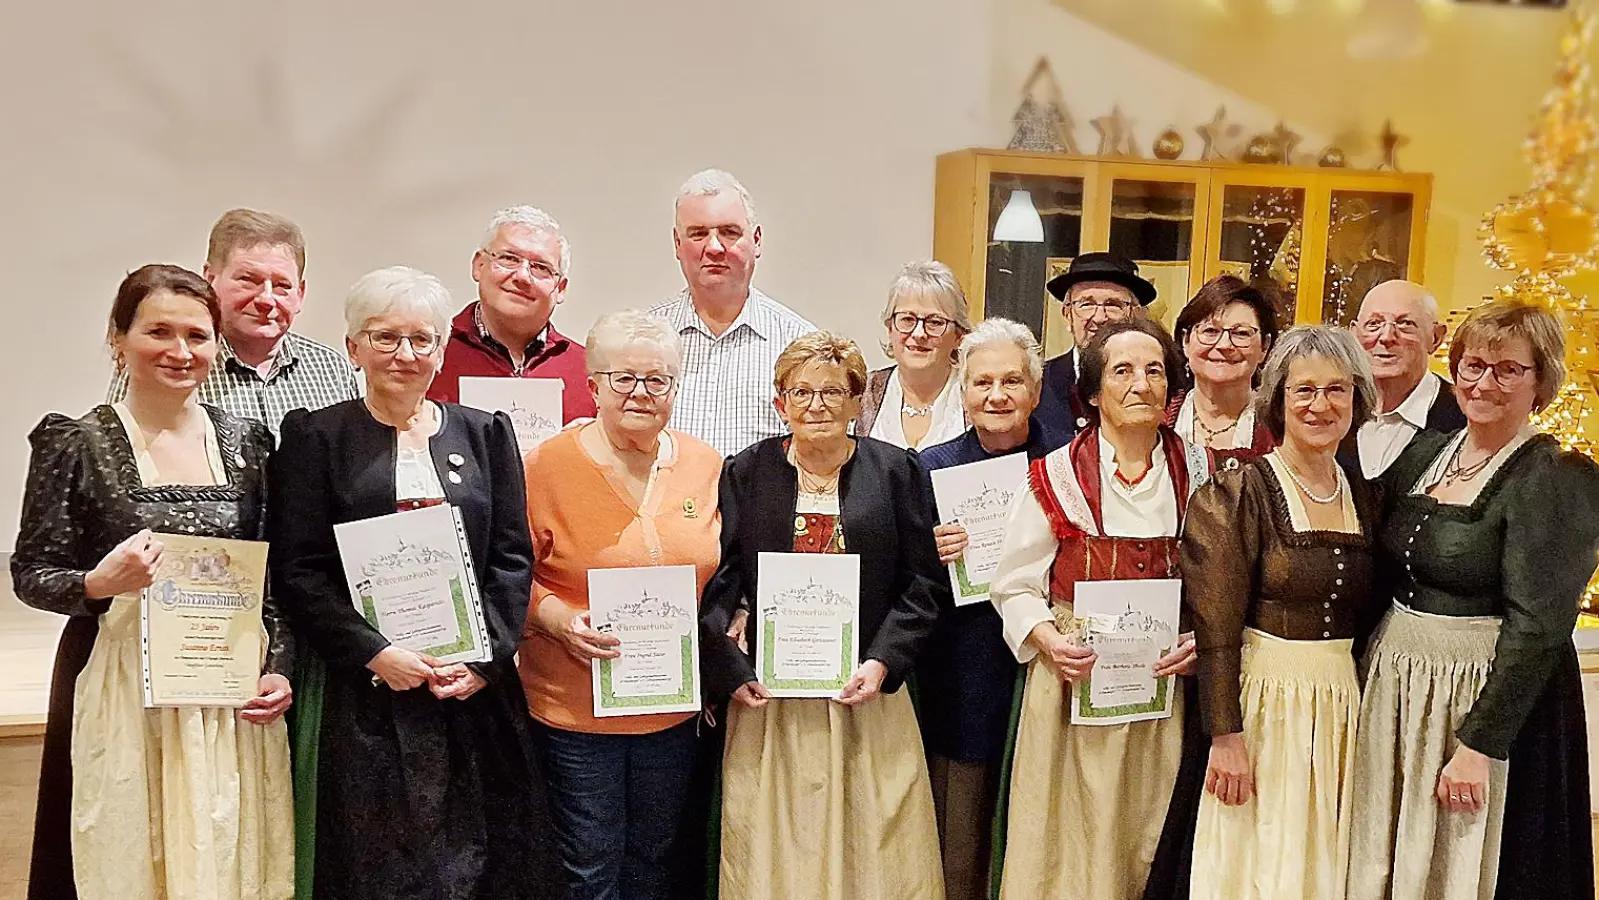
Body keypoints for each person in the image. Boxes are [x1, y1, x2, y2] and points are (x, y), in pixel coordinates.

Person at [268, 266, 561, 900]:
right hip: (369, 695)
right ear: (353, 348)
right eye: (385, 337)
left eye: (421, 339)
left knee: (481, 859)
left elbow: (510, 558)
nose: (405, 354)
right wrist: (376, 654)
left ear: (440, 350)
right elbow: (300, 569)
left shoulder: (485, 433)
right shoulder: (315, 436)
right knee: (381, 864)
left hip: (470, 693)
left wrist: (484, 660)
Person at [14, 264, 293, 900]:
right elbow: (31, 574)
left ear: (217, 346)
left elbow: (267, 578)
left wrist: (279, 665)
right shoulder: (77, 441)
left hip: (222, 686)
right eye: (158, 331)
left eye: (197, 335)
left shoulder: (247, 443)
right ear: (119, 338)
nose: (179, 350)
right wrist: (96, 581)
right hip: (118, 683)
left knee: (224, 849)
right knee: (124, 849)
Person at [1347, 300, 1599, 900]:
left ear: (1540, 382)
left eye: (1507, 369)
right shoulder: (1428, 454)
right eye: (1471, 365)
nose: (1483, 382)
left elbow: (1538, 625)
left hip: (1481, 695)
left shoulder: (1555, 475)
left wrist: (1480, 744)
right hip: (1402, 682)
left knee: (1468, 856)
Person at [700, 331, 947, 900]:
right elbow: (724, 577)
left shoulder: (897, 472)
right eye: (801, 392)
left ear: (858, 401)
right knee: (778, 837)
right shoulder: (747, 471)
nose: (816, 405)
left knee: (875, 836)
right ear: (779, 402)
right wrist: (731, 666)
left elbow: (923, 583)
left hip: (864, 693)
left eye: (833, 392)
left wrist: (884, 661)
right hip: (774, 700)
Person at [988, 318, 1207, 900]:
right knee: (1066, 836)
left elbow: (1218, 581)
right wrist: (1047, 639)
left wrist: (1201, 639)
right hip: (1070, 687)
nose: (1141, 384)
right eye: (1123, 371)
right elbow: (1013, 583)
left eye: (1155, 369)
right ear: (1091, 391)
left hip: (1162, 695)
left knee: (1147, 822)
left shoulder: (1202, 473)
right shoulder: (1053, 476)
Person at [520, 309, 722, 900]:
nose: (641, 392)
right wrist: (556, 619)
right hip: (576, 706)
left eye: (657, 379)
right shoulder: (545, 466)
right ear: (593, 386)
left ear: (674, 390)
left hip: (672, 708)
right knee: (590, 862)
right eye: (623, 378)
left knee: (656, 860)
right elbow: (506, 575)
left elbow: (724, 567)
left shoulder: (704, 465)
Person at [1181, 325, 1381, 900]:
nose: (1321, 405)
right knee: (1260, 859)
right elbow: (1215, 625)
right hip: (1265, 702)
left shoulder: (1365, 496)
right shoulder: (1239, 492)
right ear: (1279, 400)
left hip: (1343, 704)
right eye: (1305, 391)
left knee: (1326, 856)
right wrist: (1225, 735)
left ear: (1356, 401)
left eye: (1337, 390)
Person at [914, 318, 1055, 900]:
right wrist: (930, 547)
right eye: (982, 383)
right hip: (963, 665)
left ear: (1036, 391)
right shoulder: (929, 467)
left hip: (1047, 665)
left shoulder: (1067, 465)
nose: (996, 395)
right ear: (963, 391)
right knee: (963, 817)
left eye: (1012, 381)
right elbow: (907, 578)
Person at [108, 208, 360, 436]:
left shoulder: (332, 369)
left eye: (282, 286)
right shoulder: (172, 365)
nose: (266, 299)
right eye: (249, 280)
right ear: (209, 278)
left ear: (300, 294)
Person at [647, 169, 815, 458]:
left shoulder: (801, 346)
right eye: (698, 234)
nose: (713, 247)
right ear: (677, 243)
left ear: (757, 240)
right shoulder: (642, 340)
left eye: (729, 232)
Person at [427, 205, 598, 424]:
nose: (522, 277)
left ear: (561, 288)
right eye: (509, 258)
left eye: (541, 267)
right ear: (479, 265)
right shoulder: (429, 355)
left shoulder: (589, 371)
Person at [1340, 279, 1466, 478]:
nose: (1386, 337)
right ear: (1354, 334)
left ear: (1435, 338)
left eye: (1405, 324)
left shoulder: (1464, 418)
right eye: (1374, 324)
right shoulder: (1333, 410)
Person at [1035, 253, 1157, 443]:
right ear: (1068, 315)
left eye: (1113, 304)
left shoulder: (1154, 386)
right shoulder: (1037, 384)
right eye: (1086, 304)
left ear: (1134, 315)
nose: (1099, 317)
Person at [855, 261, 972, 448]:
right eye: (907, 319)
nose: (919, 334)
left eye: (935, 322)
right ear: (890, 327)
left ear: (959, 335)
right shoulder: (861, 393)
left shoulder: (977, 396)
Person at [1168, 275, 1279, 464]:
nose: (1224, 345)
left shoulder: (1281, 431)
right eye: (1210, 331)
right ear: (1186, 341)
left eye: (1241, 333)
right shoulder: (1155, 420)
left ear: (1264, 347)